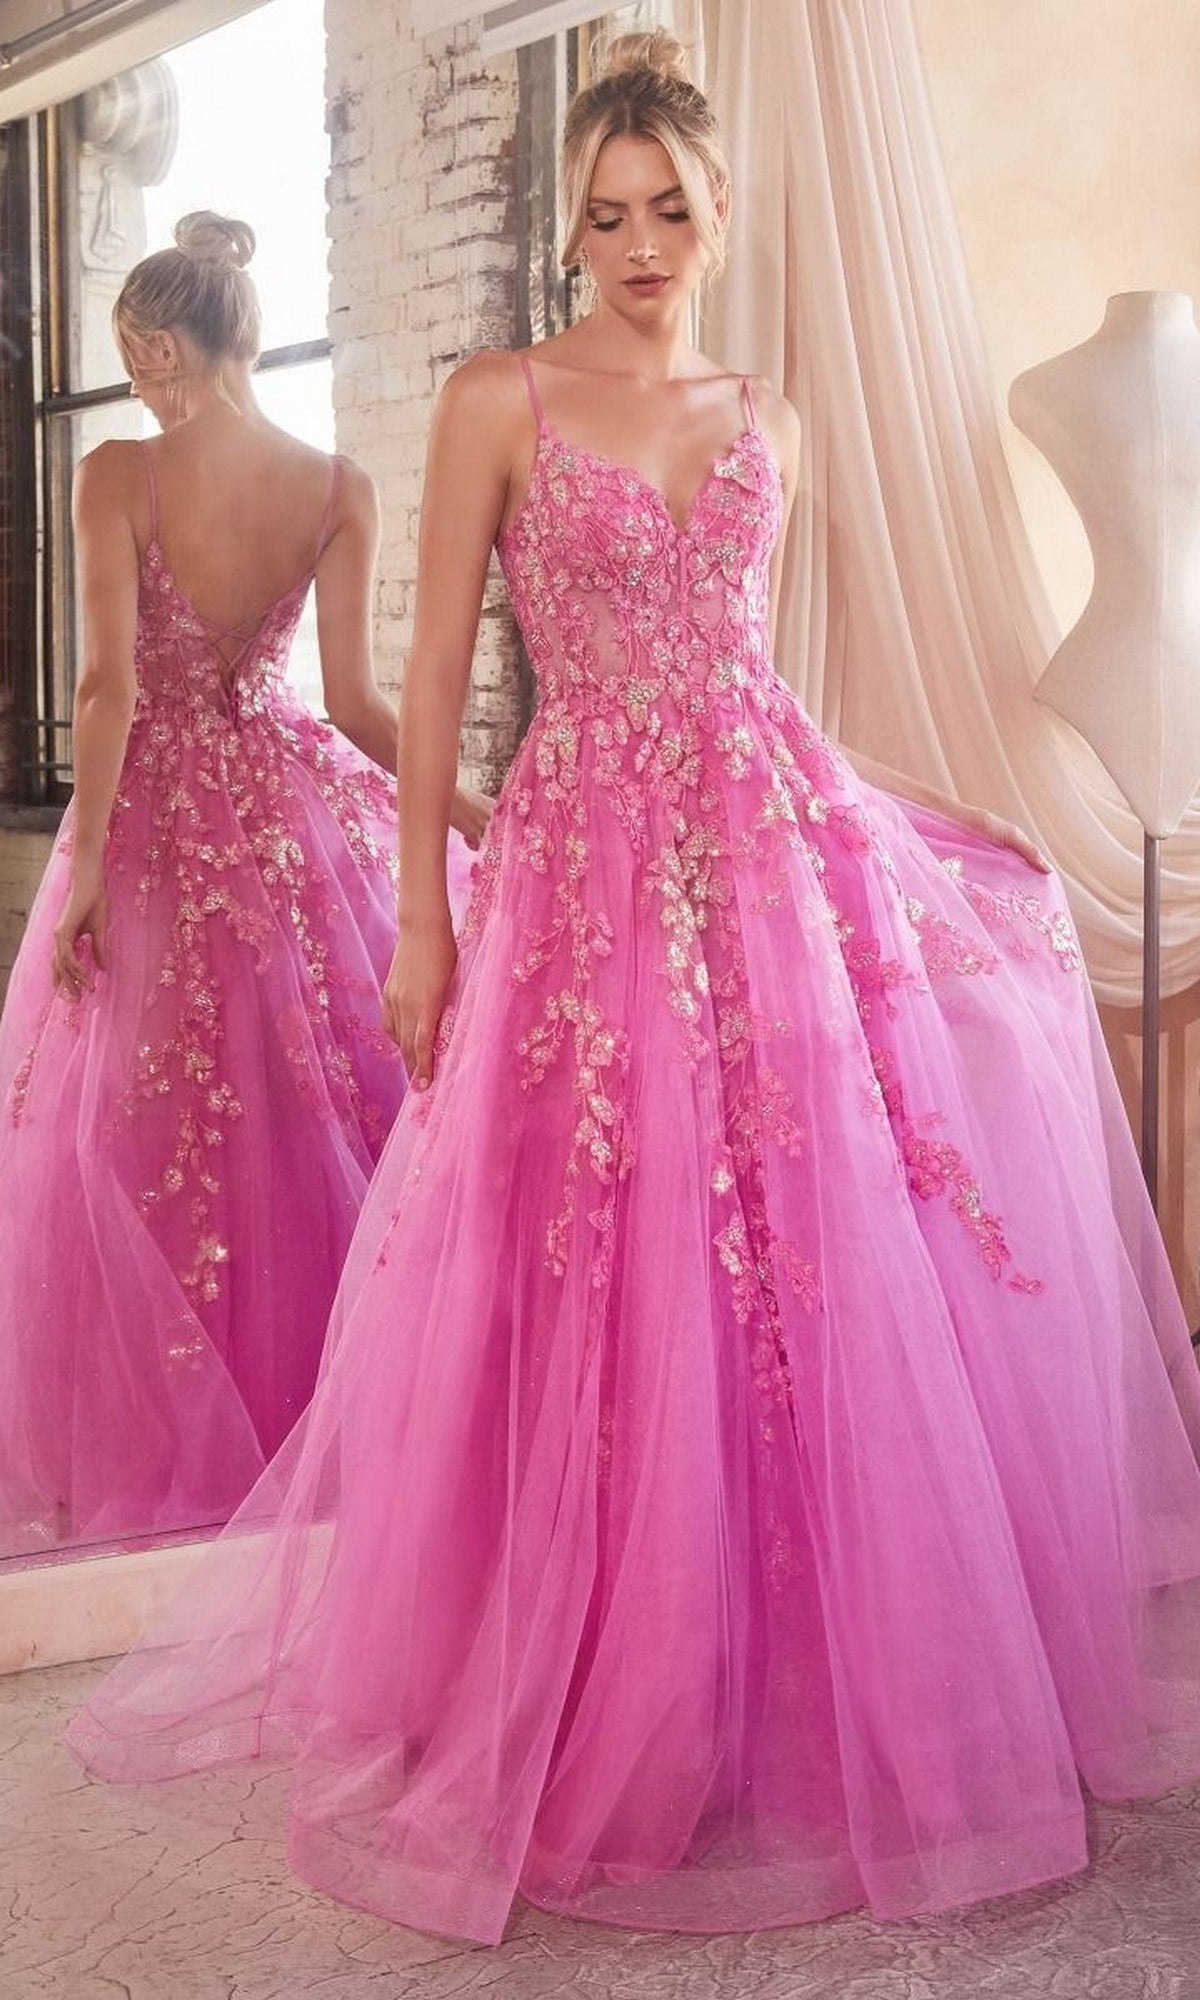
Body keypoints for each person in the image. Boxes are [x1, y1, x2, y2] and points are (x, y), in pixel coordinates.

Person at [70, 45, 1200, 1945]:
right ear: (572, 227)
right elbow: (428, 677)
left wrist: (907, 832)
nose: (641, 244)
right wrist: (425, 918)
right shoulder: (495, 395)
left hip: (763, 853)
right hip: (581, 873)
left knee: (791, 1252)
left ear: (723, 215)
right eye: (606, 213)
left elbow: (774, 674)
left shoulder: (772, 411)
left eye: (673, 207)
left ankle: (782, 1679)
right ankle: (597, 1678)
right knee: (595, 1250)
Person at [0, 212, 487, 1552]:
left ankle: (169, 1434)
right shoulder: (338, 485)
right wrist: (474, 811)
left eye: (139, 355)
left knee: (136, 1114)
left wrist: (84, 857)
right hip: (278, 819)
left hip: (153, 819)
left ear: (167, 342)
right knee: (296, 1100)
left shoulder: (119, 475)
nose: (140, 382)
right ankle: (318, 1415)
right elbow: (357, 705)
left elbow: (105, 688)